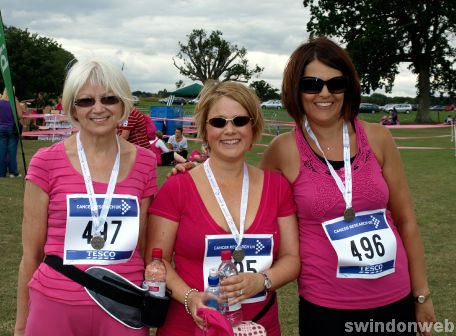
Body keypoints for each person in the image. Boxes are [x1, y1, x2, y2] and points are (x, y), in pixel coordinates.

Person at [259, 37, 436, 335]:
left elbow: (406, 220)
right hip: (326, 306)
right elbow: (248, 201)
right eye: (312, 84)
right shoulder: (283, 149)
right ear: (296, 89)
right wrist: (190, 171)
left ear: (348, 86)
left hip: (394, 298)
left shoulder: (379, 138)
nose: (324, 93)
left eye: (335, 83)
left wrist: (421, 295)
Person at [14, 57, 158, 336]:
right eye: (86, 101)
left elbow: (141, 246)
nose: (99, 108)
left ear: (123, 104)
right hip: (55, 304)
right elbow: (30, 254)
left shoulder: (145, 161)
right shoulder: (46, 162)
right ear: (73, 109)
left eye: (109, 98)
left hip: (122, 307)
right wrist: (20, 325)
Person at [146, 81, 300, 336]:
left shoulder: (278, 187)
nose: (230, 130)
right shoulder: (178, 187)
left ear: (253, 126)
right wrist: (190, 297)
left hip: (260, 326)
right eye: (219, 122)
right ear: (205, 130)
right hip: (190, 326)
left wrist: (261, 281)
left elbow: (292, 258)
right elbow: (157, 261)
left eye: (239, 120)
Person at [0, 88, 23, 178]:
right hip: (12, 129)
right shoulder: (14, 102)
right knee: (12, 151)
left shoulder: (0, 102)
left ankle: (1, 173)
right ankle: (13, 172)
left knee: (2, 151)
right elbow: (20, 115)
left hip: (1, 129)